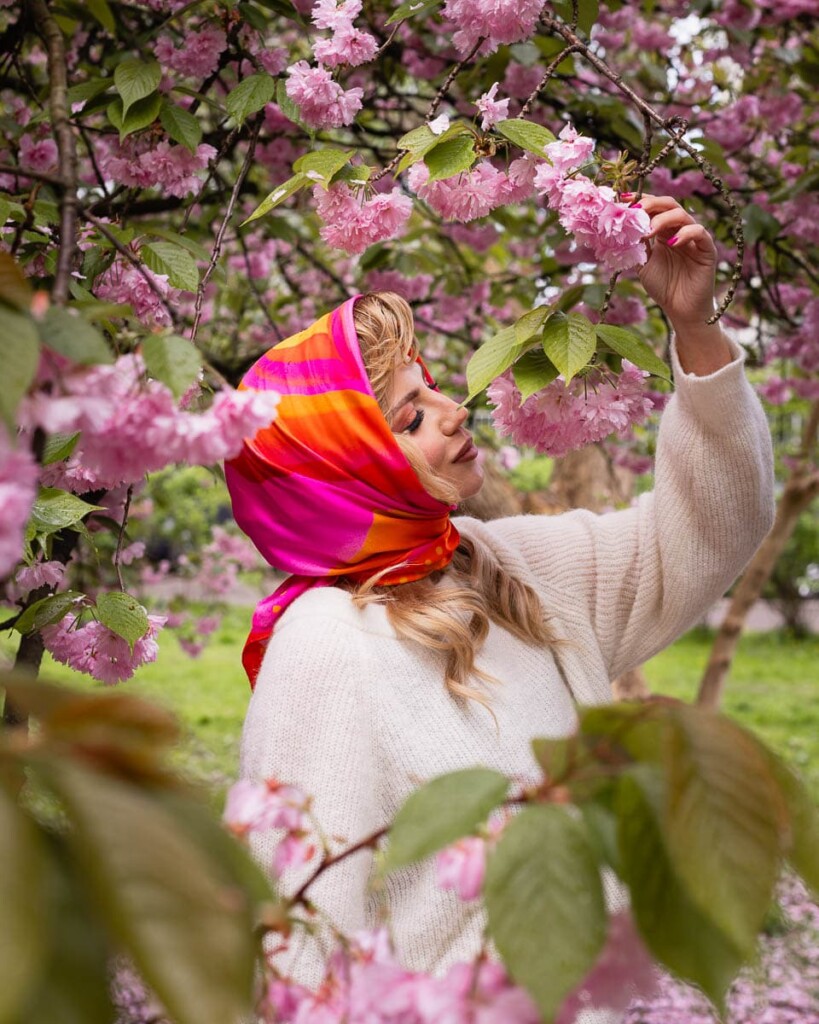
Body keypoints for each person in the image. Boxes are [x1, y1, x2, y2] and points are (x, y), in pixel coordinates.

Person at [224, 194, 775, 996]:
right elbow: (296, 944)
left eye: (435, 389)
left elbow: (708, 528)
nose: (455, 411)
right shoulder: (324, 645)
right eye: (411, 418)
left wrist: (693, 329)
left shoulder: (502, 565)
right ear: (347, 476)